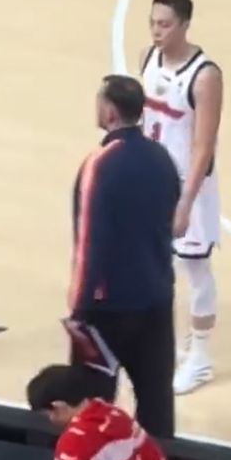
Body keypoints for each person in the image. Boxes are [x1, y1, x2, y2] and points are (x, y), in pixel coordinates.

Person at [68, 75, 180, 438]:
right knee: (157, 407)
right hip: (156, 298)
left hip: (107, 309)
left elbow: (88, 242)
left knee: (92, 409)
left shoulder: (98, 164)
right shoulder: (162, 157)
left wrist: (79, 310)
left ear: (110, 111)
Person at [140, 0, 223, 395]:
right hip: (153, 180)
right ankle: (170, 346)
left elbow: (204, 146)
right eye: (153, 23)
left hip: (190, 186)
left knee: (195, 267)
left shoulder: (205, 76)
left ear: (185, 25)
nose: (157, 31)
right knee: (157, 265)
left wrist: (186, 202)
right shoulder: (147, 58)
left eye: (165, 24)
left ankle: (201, 357)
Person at [27, 364, 182, 460]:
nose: (51, 420)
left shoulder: (74, 443)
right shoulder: (117, 416)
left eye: (48, 414)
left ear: (59, 406)